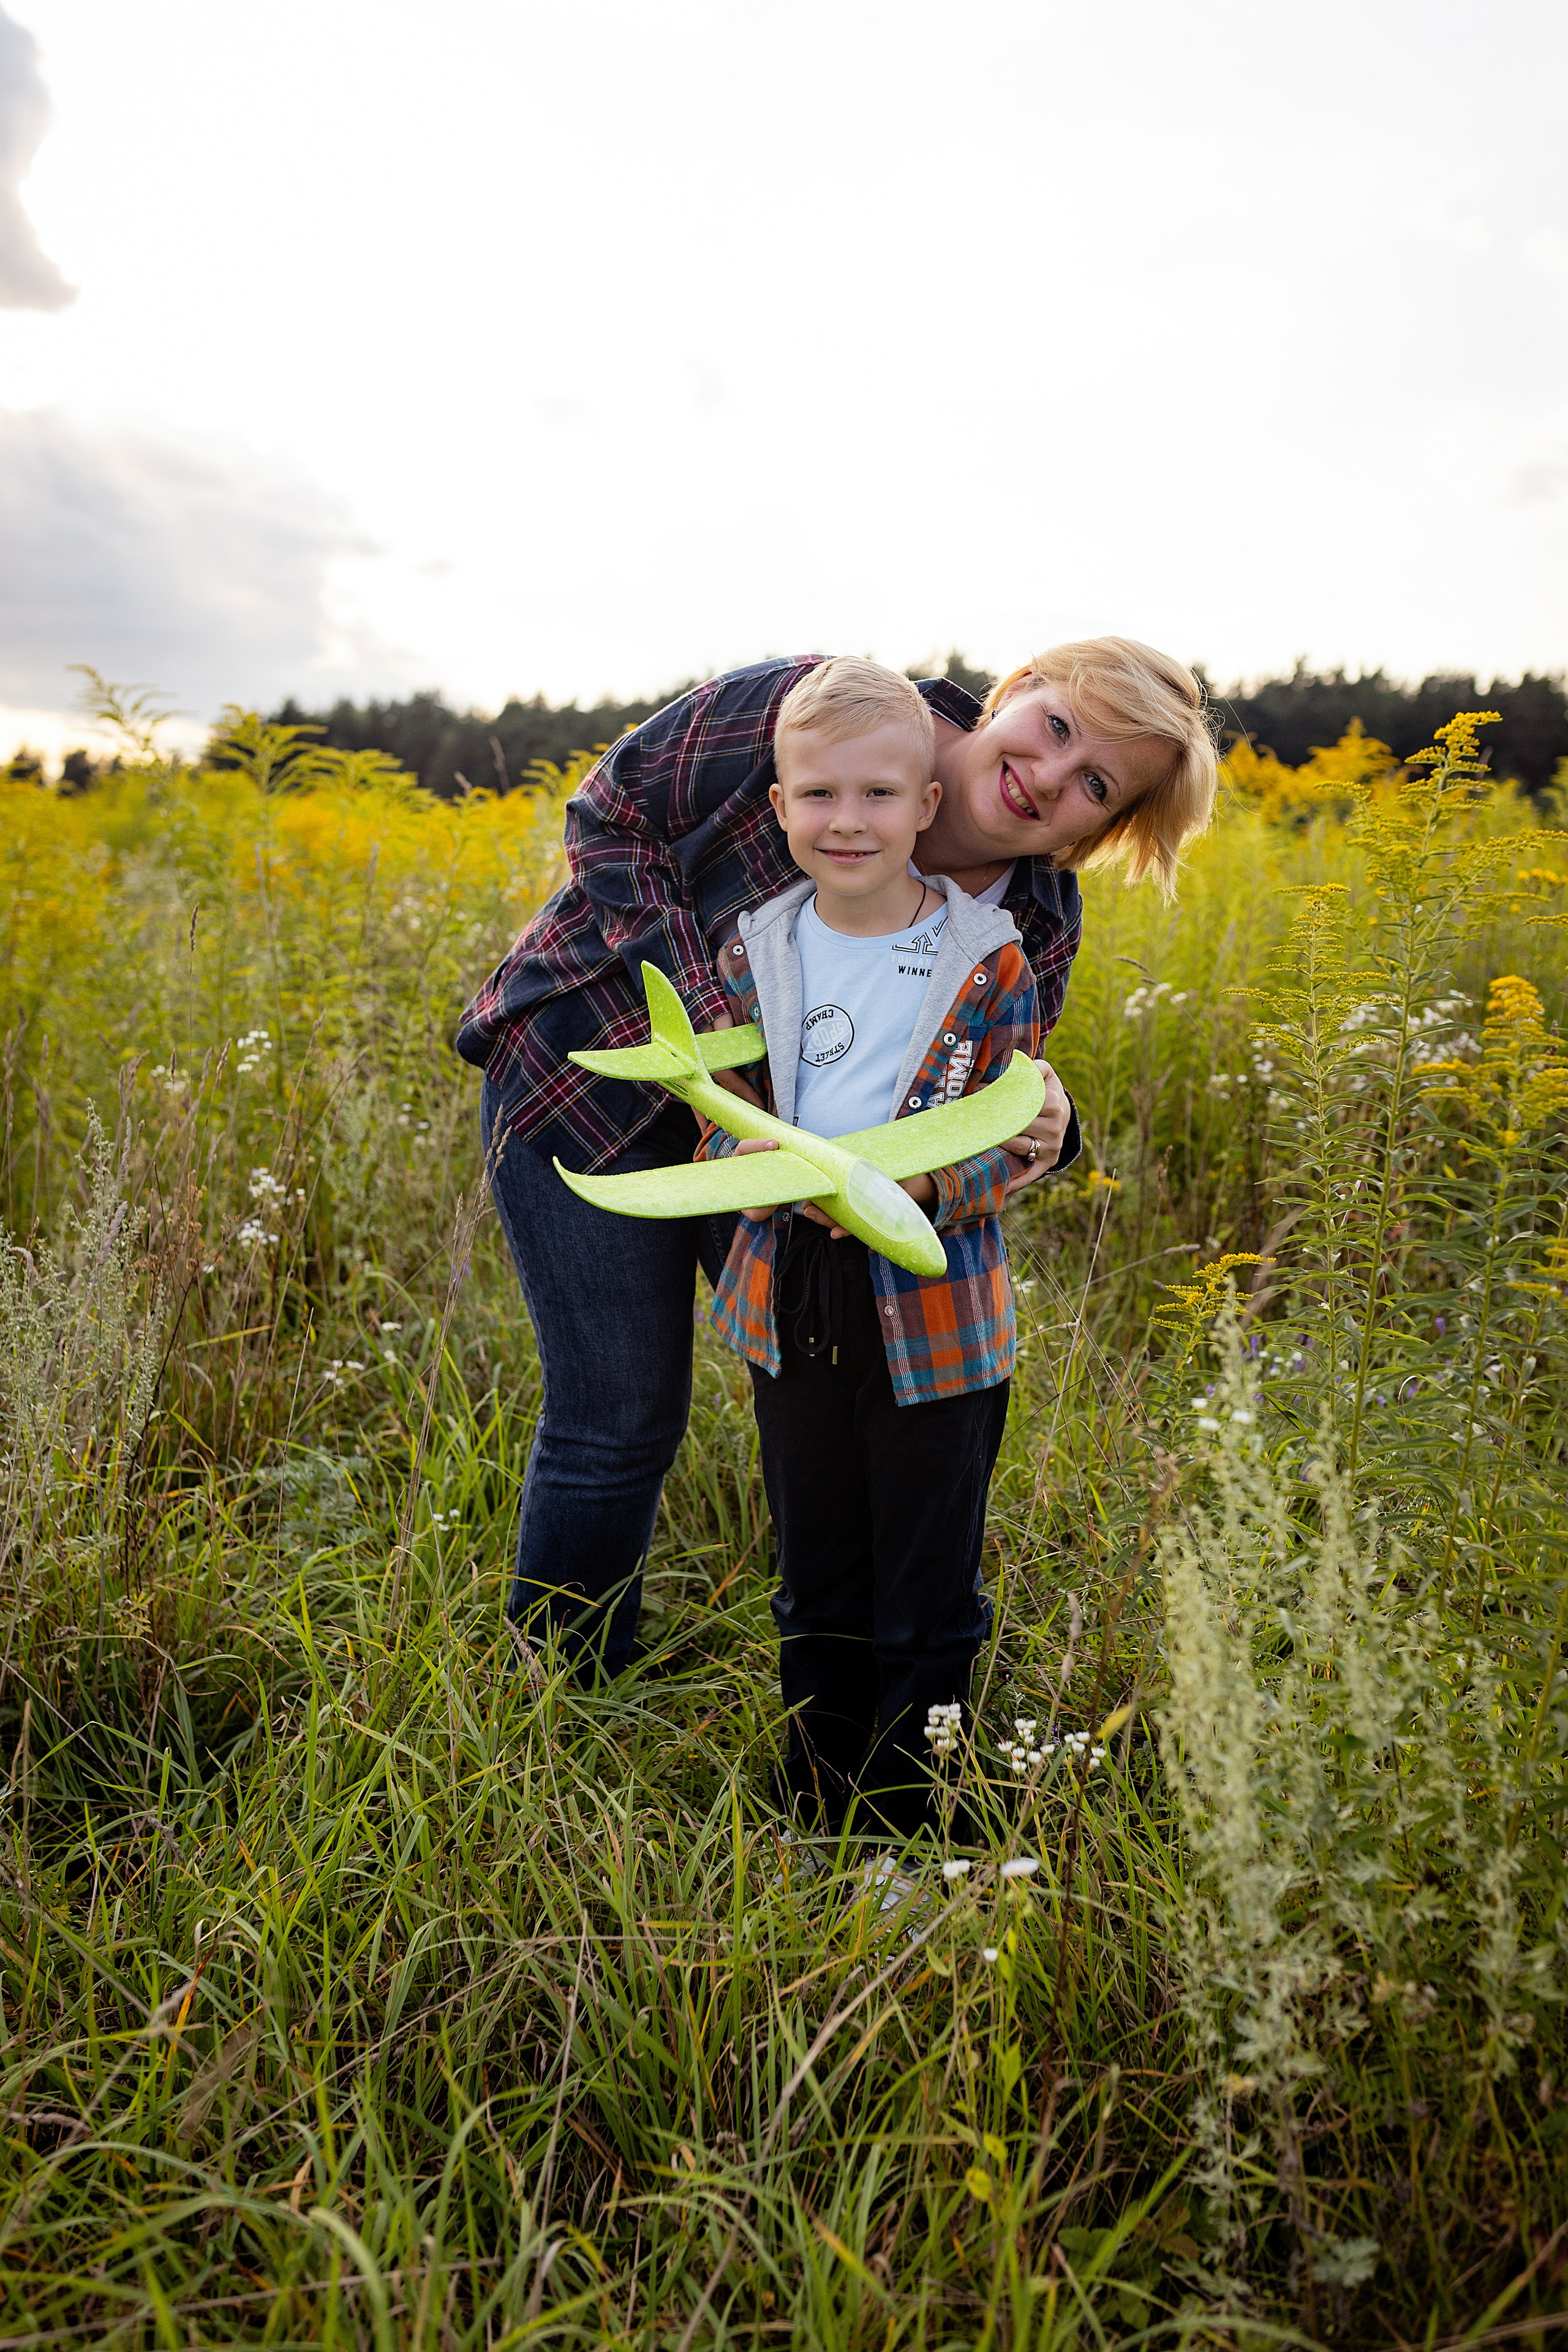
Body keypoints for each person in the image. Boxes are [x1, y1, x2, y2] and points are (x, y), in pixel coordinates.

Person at [456, 639, 1217, 1676]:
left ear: (1105, 830)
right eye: (1058, 728)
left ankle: (854, 1666)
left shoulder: (1030, 920)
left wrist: (1048, 1120)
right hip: (585, 1083)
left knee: (832, 1398)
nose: (1047, 777)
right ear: (1020, 690)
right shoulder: (813, 704)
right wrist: (720, 1023)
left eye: (1094, 784)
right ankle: (560, 1688)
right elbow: (611, 809)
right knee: (621, 1415)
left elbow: (985, 1089)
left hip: (777, 1163)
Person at [692, 658, 1039, 1834]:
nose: (850, 822)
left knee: (928, 1586)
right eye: (821, 795)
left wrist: (928, 1190)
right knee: (817, 1575)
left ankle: (910, 1821)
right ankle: (816, 1802)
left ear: (927, 804)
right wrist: (743, 1168)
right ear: (779, 806)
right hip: (789, 1296)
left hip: (937, 1309)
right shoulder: (751, 950)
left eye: (881, 796)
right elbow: (719, 1105)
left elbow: (1017, 1130)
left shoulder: (989, 958)